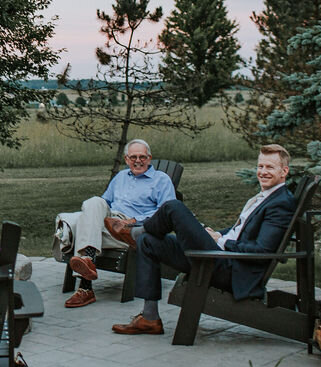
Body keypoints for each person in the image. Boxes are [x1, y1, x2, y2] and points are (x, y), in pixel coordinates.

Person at [111, 144, 296, 335]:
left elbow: (262, 251)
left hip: (229, 269)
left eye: (269, 167)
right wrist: (217, 234)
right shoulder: (267, 197)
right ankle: (149, 318)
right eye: (260, 166)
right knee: (149, 242)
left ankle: (135, 231)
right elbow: (240, 231)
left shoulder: (281, 204)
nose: (263, 172)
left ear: (284, 171)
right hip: (220, 257)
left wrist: (221, 241)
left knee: (173, 207)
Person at [58, 139, 176, 308]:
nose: (138, 161)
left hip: (130, 231)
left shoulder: (161, 179)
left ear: (149, 158)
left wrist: (135, 220)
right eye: (133, 157)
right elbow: (103, 202)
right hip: (108, 225)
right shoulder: (120, 177)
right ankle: (87, 259)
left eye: (142, 157)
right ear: (127, 159)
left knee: (74, 226)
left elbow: (167, 210)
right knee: (93, 202)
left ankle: (85, 287)